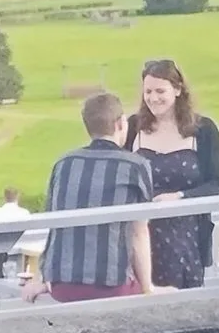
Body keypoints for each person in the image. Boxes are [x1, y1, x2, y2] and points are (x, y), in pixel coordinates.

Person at [38, 92, 155, 302]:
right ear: (121, 123)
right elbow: (139, 234)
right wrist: (147, 289)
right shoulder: (134, 166)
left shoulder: (64, 163)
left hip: (61, 284)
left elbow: (53, 221)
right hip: (110, 283)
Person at [126, 58, 219, 289]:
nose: (153, 98)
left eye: (160, 91)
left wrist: (180, 197)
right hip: (140, 234)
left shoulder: (203, 130)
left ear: (178, 90)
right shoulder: (132, 127)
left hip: (187, 235)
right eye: (148, 92)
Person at [0, 186, 31, 280]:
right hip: (21, 246)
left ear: (4, 197)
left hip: (0, 250)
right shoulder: (25, 213)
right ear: (17, 197)